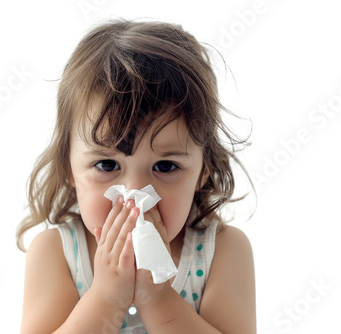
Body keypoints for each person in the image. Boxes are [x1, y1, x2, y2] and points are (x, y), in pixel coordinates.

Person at [17, 18, 256, 333]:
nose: (135, 194)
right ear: (68, 169)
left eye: (165, 167)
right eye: (106, 165)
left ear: (202, 172)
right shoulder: (56, 252)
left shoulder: (221, 250)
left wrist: (156, 297)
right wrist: (104, 299)